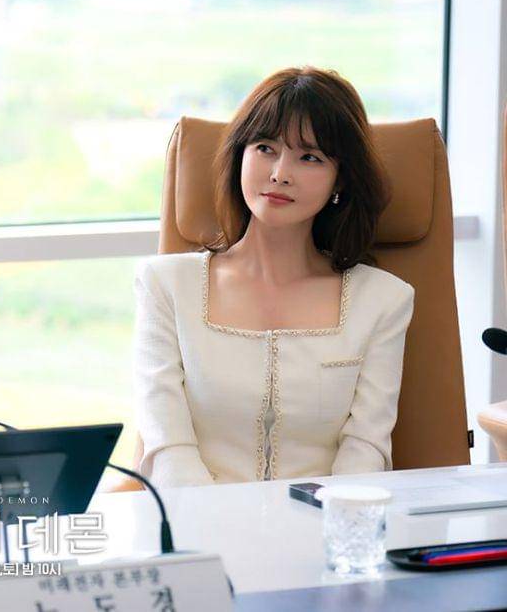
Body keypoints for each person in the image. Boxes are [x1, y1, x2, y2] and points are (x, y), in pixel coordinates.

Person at [134, 66, 414, 487]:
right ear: (240, 156)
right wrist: (213, 522)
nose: (281, 173)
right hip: (195, 518)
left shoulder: (383, 300)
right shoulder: (165, 286)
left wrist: (327, 523)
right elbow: (168, 447)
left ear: (340, 179)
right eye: (266, 148)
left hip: (324, 521)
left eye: (310, 157)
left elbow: (366, 450)